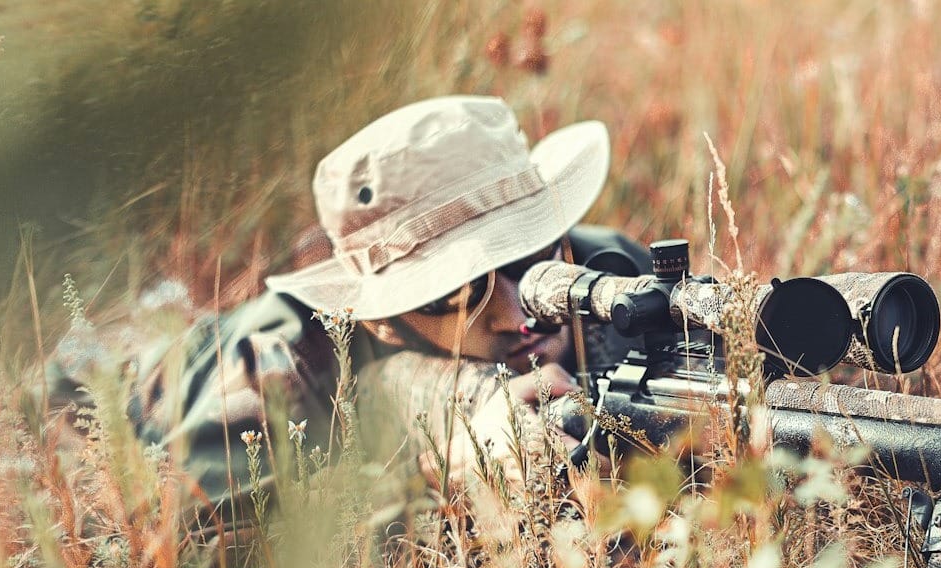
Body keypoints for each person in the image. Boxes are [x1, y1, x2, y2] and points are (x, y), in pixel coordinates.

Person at [58, 95, 648, 538]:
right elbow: (186, 544)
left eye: (529, 253)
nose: (518, 311)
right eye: (458, 290)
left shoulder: (601, 268)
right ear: (384, 321)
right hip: (141, 374)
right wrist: (432, 477)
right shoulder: (279, 370)